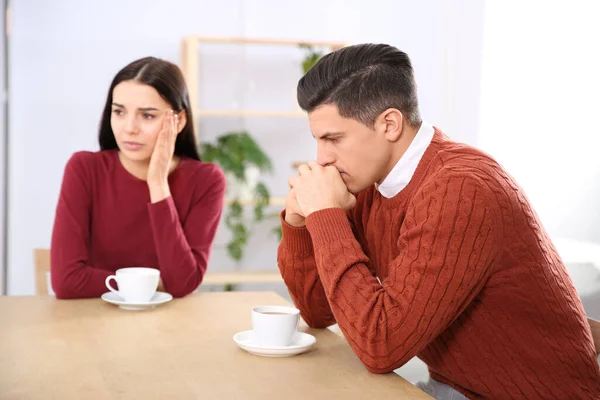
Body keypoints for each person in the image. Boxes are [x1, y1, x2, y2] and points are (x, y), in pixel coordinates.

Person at [277, 43, 600, 399]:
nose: (321, 159)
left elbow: (380, 347)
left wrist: (326, 216)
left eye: (333, 139)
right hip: (453, 388)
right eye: (318, 140)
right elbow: (319, 311)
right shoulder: (368, 182)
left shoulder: (463, 190)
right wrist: (299, 224)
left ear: (389, 123)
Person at [51, 57, 226, 299]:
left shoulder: (206, 180)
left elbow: (182, 283)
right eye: (119, 112)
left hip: (170, 326)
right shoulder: (84, 169)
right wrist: (153, 284)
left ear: (179, 121)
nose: (129, 128)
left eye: (147, 116)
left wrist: (158, 184)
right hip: (91, 321)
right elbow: (66, 281)